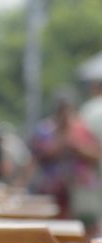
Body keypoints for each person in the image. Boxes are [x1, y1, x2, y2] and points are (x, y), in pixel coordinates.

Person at [30, 94, 100, 224]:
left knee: (86, 224)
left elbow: (95, 154)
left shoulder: (82, 128)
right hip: (52, 191)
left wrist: (77, 148)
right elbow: (37, 156)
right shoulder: (46, 129)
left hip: (80, 190)